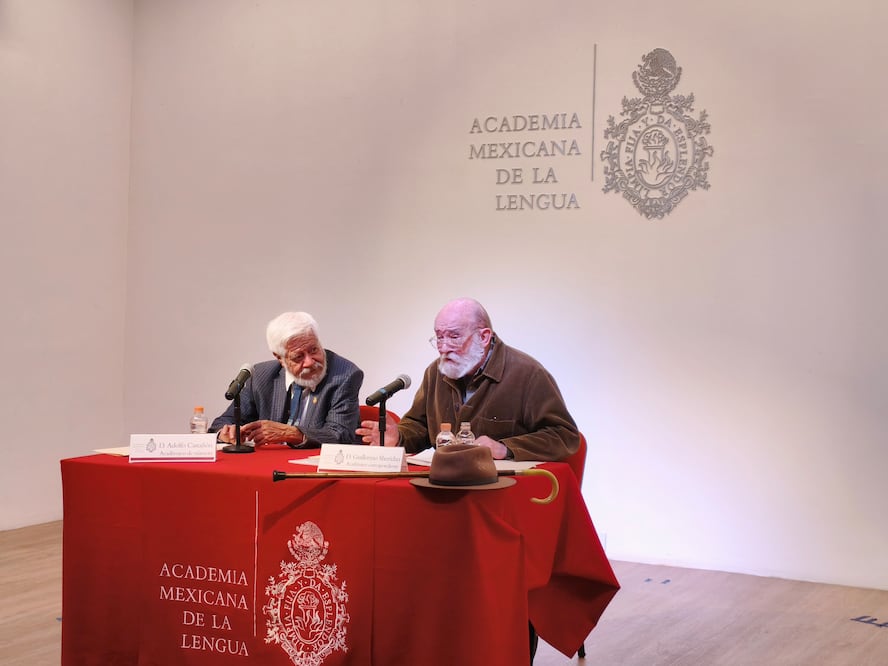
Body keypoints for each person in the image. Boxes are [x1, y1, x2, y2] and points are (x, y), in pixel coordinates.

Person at [356, 297, 579, 461]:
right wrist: (400, 437)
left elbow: (564, 436)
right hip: (447, 483)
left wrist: (505, 448)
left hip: (505, 491)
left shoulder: (528, 374)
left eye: (454, 336)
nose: (443, 348)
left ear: (483, 337)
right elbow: (420, 425)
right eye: (439, 337)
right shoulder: (436, 372)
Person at [212, 311, 363, 448]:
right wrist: (226, 433)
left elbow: (340, 435)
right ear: (279, 358)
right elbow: (221, 423)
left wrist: (293, 434)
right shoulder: (260, 376)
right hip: (266, 467)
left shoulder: (344, 375)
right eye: (298, 356)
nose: (310, 362)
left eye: (314, 349)